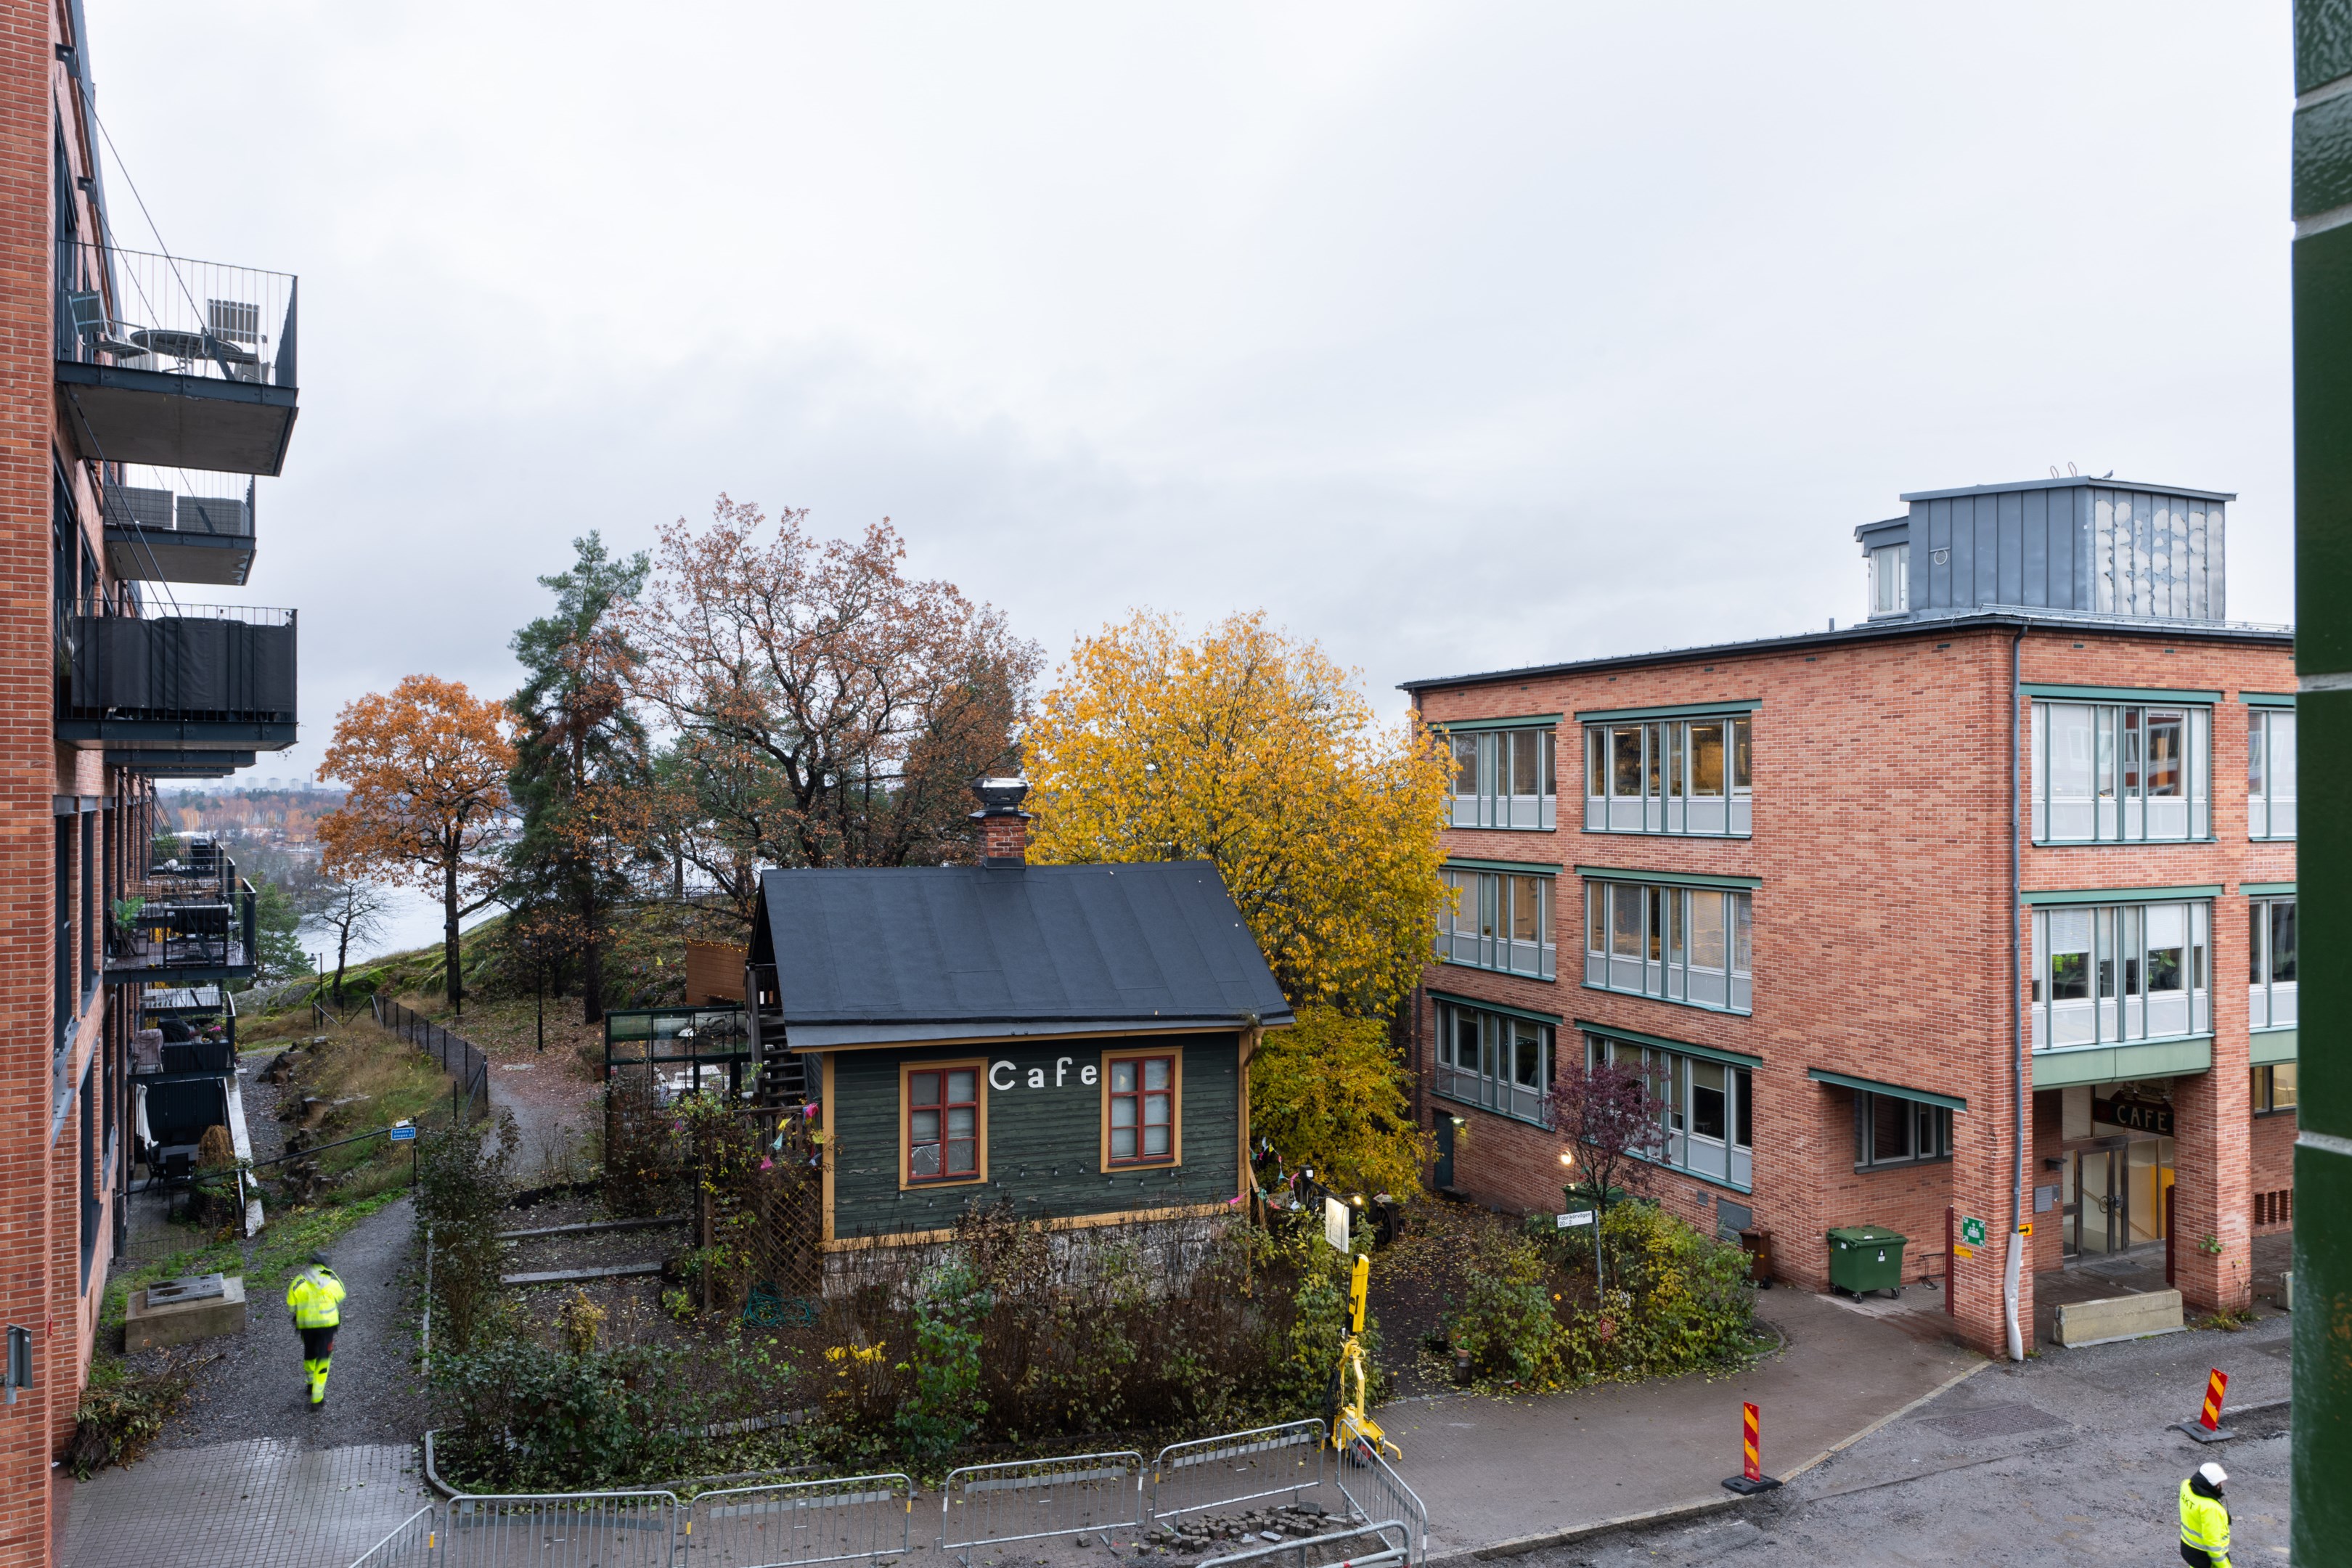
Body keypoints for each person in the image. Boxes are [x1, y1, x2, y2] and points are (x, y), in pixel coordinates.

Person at [285, 1251, 347, 1410]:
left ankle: (310, 1383)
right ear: (326, 1264)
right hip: (327, 1326)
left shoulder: (300, 1279)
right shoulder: (331, 1278)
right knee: (323, 1359)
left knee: (310, 1355)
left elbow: (291, 1304)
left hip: (306, 1326)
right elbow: (341, 1295)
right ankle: (317, 1398)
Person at [2179, 1461, 2231, 1568]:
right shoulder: (2211, 1508)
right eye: (2220, 1483)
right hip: (2204, 1556)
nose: (2222, 1485)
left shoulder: (2186, 1486)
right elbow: (2213, 1546)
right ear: (2214, 1485)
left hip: (2187, 1549)